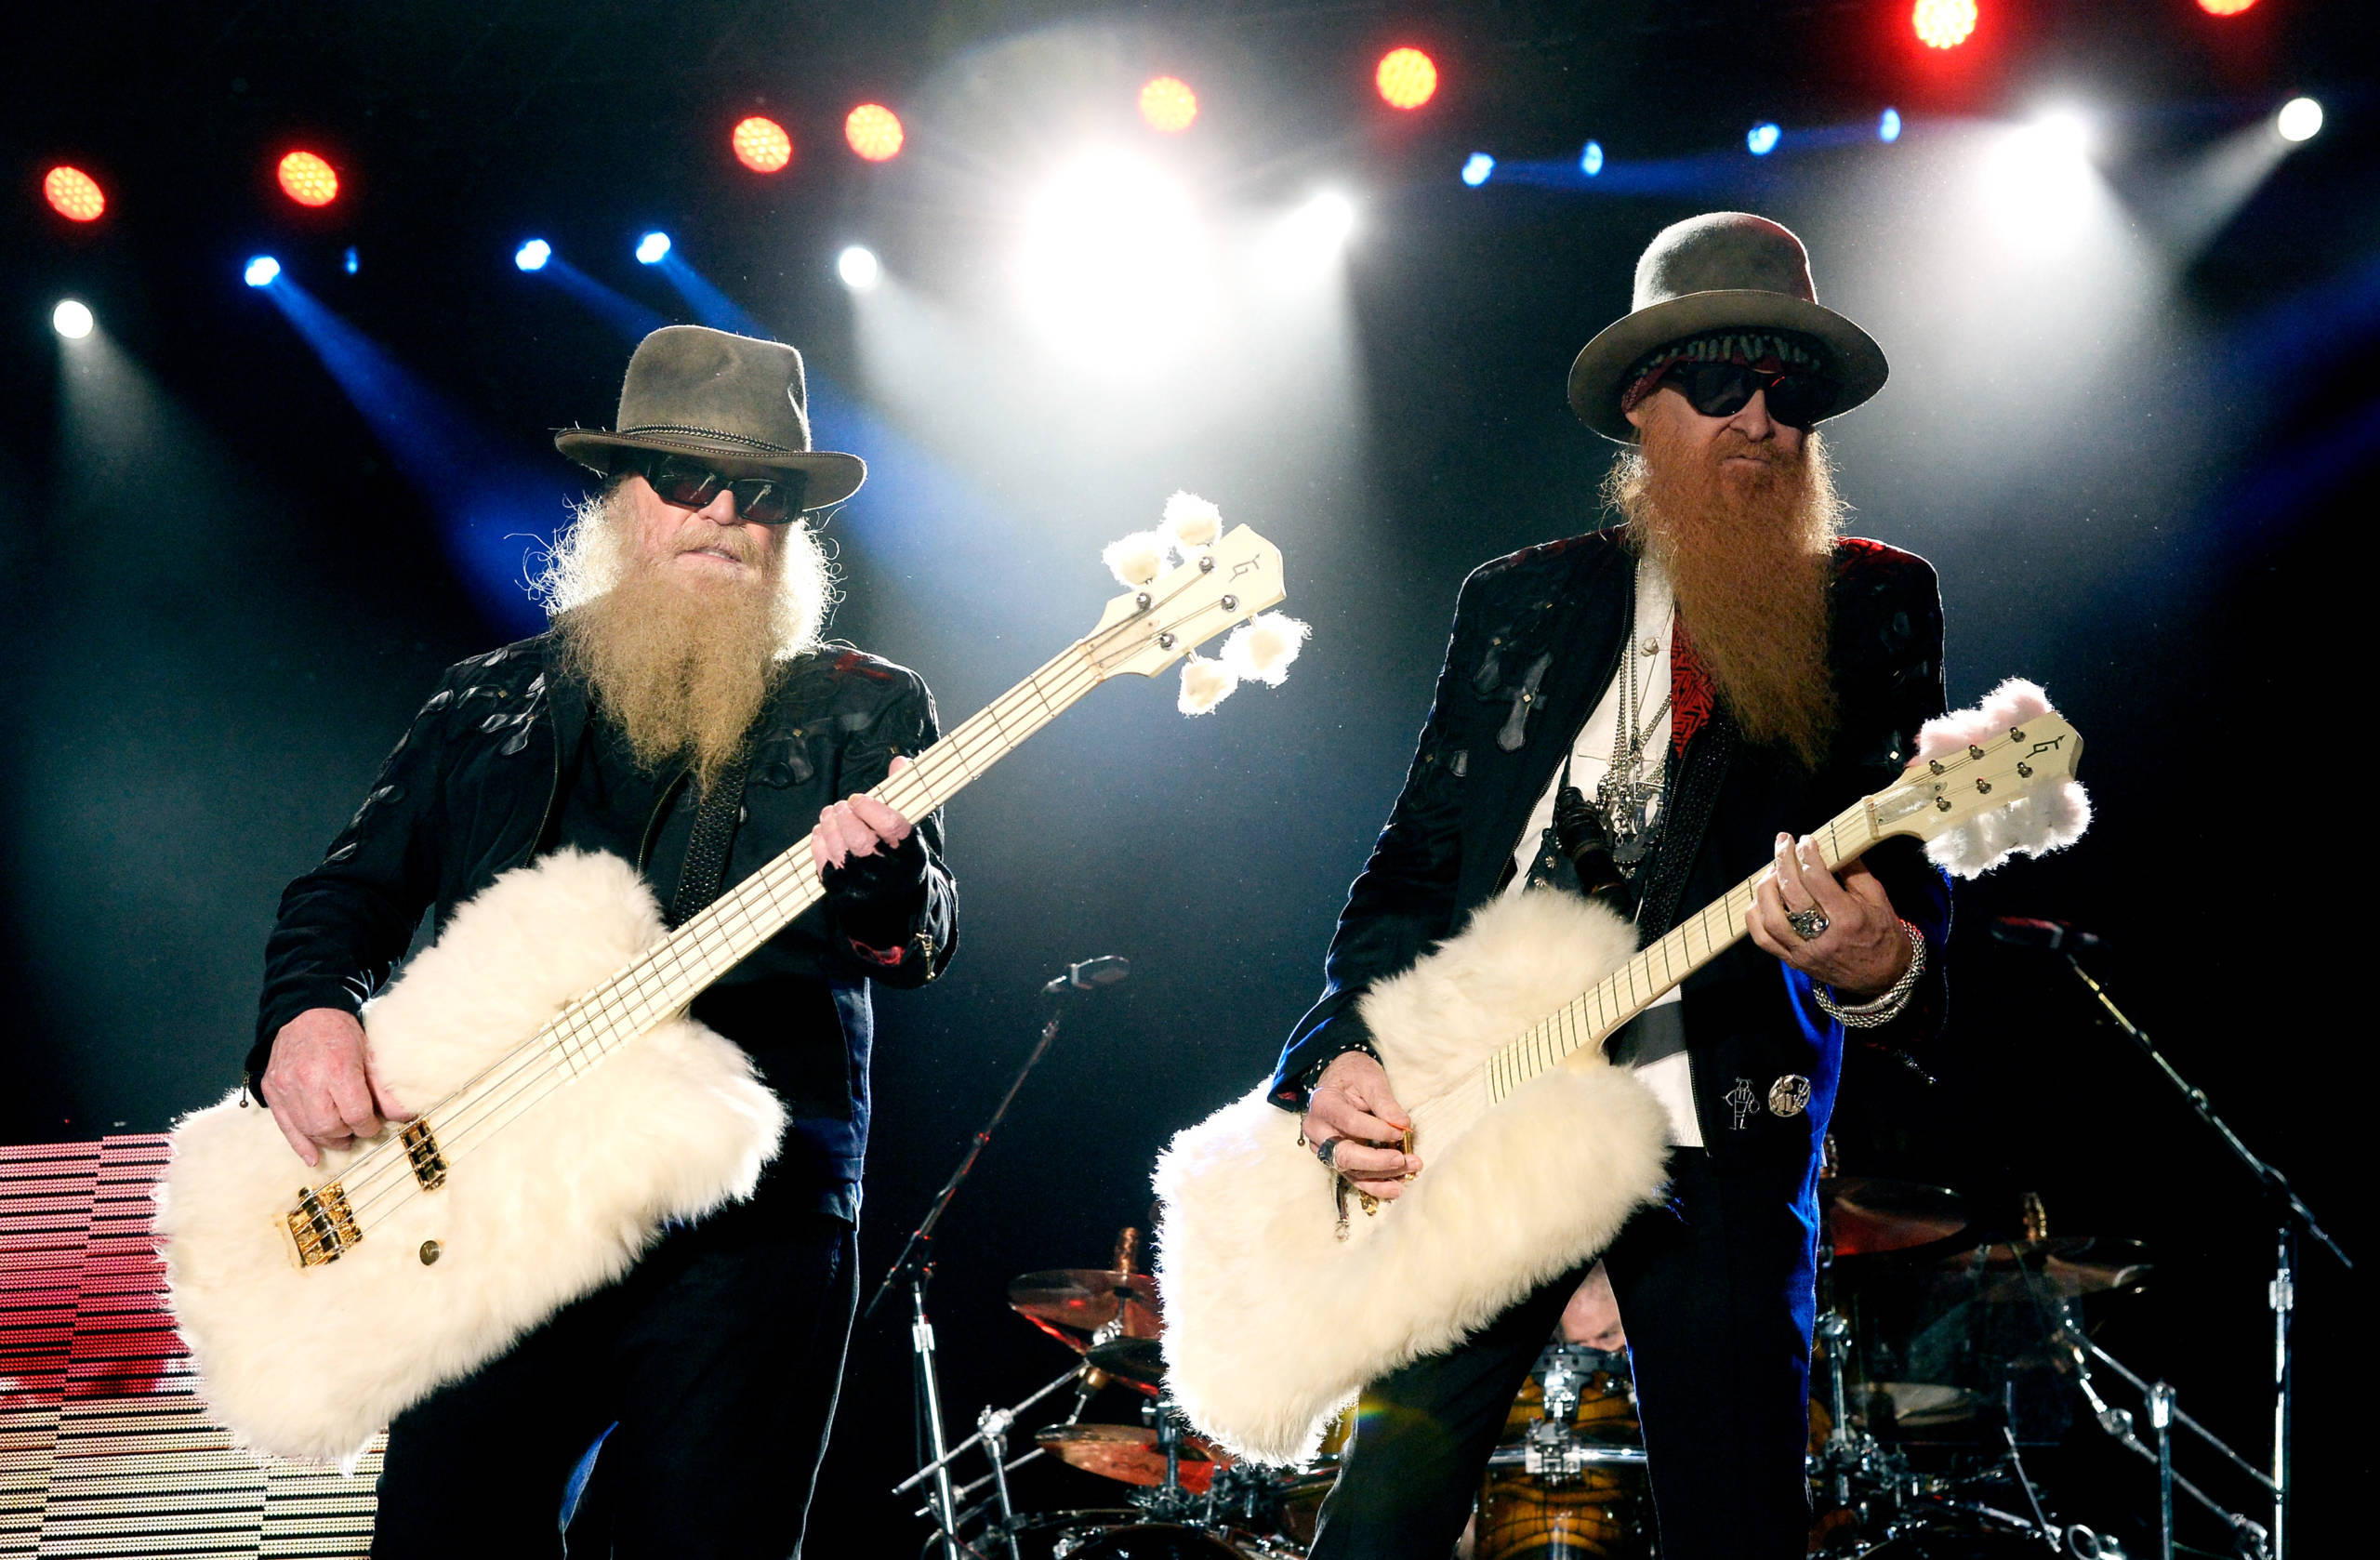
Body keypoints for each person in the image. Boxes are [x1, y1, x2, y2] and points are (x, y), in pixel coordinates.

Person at [1272, 213, 1951, 1559]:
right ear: (1645, 401)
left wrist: (1878, 961)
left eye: (1791, 394)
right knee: (1375, 1528)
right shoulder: (1517, 605)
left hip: (1715, 1131)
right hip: (1486, 1125)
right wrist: (1339, 1050)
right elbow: (1410, 867)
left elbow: (1908, 891)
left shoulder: (1874, 608)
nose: (1763, 421)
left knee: (1739, 1525)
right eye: (1722, 385)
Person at [247, 325, 958, 1558]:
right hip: (494, 1202)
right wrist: (311, 1013)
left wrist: (889, 886)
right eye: (688, 478)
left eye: (765, 492)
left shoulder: (864, 703)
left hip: (748, 1224)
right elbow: (341, 896)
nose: (726, 511)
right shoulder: (484, 703)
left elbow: (925, 934)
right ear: (622, 497)